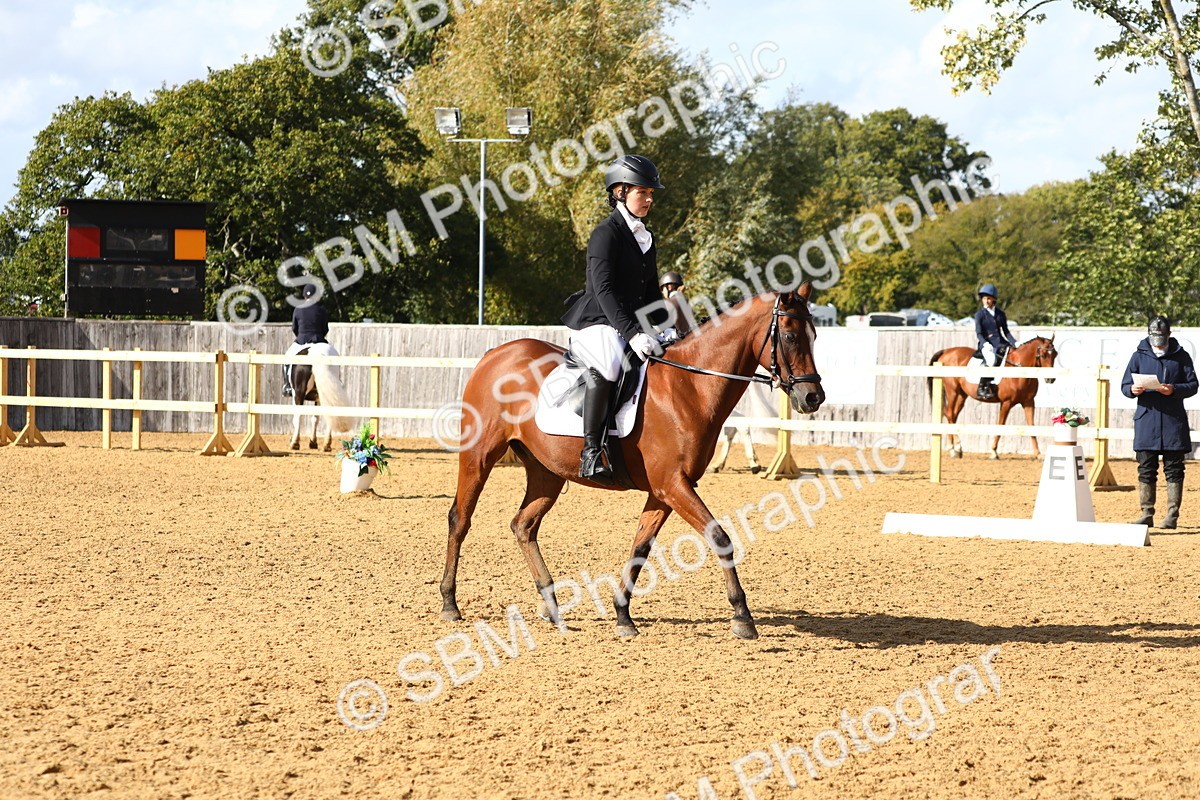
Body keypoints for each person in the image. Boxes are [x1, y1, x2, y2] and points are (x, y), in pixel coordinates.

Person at [562, 154, 669, 480]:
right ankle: (591, 452)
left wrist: (667, 327)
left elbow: (651, 292)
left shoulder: (645, 238)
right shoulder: (605, 234)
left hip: (631, 324)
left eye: (651, 193)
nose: (649, 199)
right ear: (621, 192)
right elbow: (604, 290)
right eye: (643, 192)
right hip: (598, 320)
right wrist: (634, 333)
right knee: (609, 363)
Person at [1121, 316, 1197, 529]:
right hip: (1147, 420)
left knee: (1174, 469)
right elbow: (1125, 385)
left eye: (1162, 338)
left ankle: (1172, 516)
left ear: (1169, 335)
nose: (1159, 343)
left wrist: (1174, 389)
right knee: (1146, 468)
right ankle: (1147, 513)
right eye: (1155, 338)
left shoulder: (1181, 356)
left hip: (1173, 421)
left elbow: (1193, 385)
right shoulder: (1138, 356)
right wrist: (1132, 389)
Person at [282, 283, 329, 397]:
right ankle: (337, 380)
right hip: (318, 340)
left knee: (286, 359)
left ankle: (287, 384)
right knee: (334, 357)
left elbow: (294, 328)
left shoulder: (298, 309)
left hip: (302, 341)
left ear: (304, 296)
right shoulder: (321, 310)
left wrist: (301, 337)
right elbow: (325, 329)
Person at [974, 283, 1017, 401]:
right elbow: (979, 333)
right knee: (991, 359)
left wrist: (1015, 343)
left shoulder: (1000, 314)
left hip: (1001, 343)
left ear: (994, 299)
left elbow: (1006, 332)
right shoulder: (979, 315)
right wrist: (985, 343)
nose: (986, 301)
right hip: (986, 344)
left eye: (988, 298)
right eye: (984, 298)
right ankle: (982, 387)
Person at [659, 271, 693, 337]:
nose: (662, 292)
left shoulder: (669, 302)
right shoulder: (685, 300)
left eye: (663, 289)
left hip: (676, 338)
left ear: (669, 287)